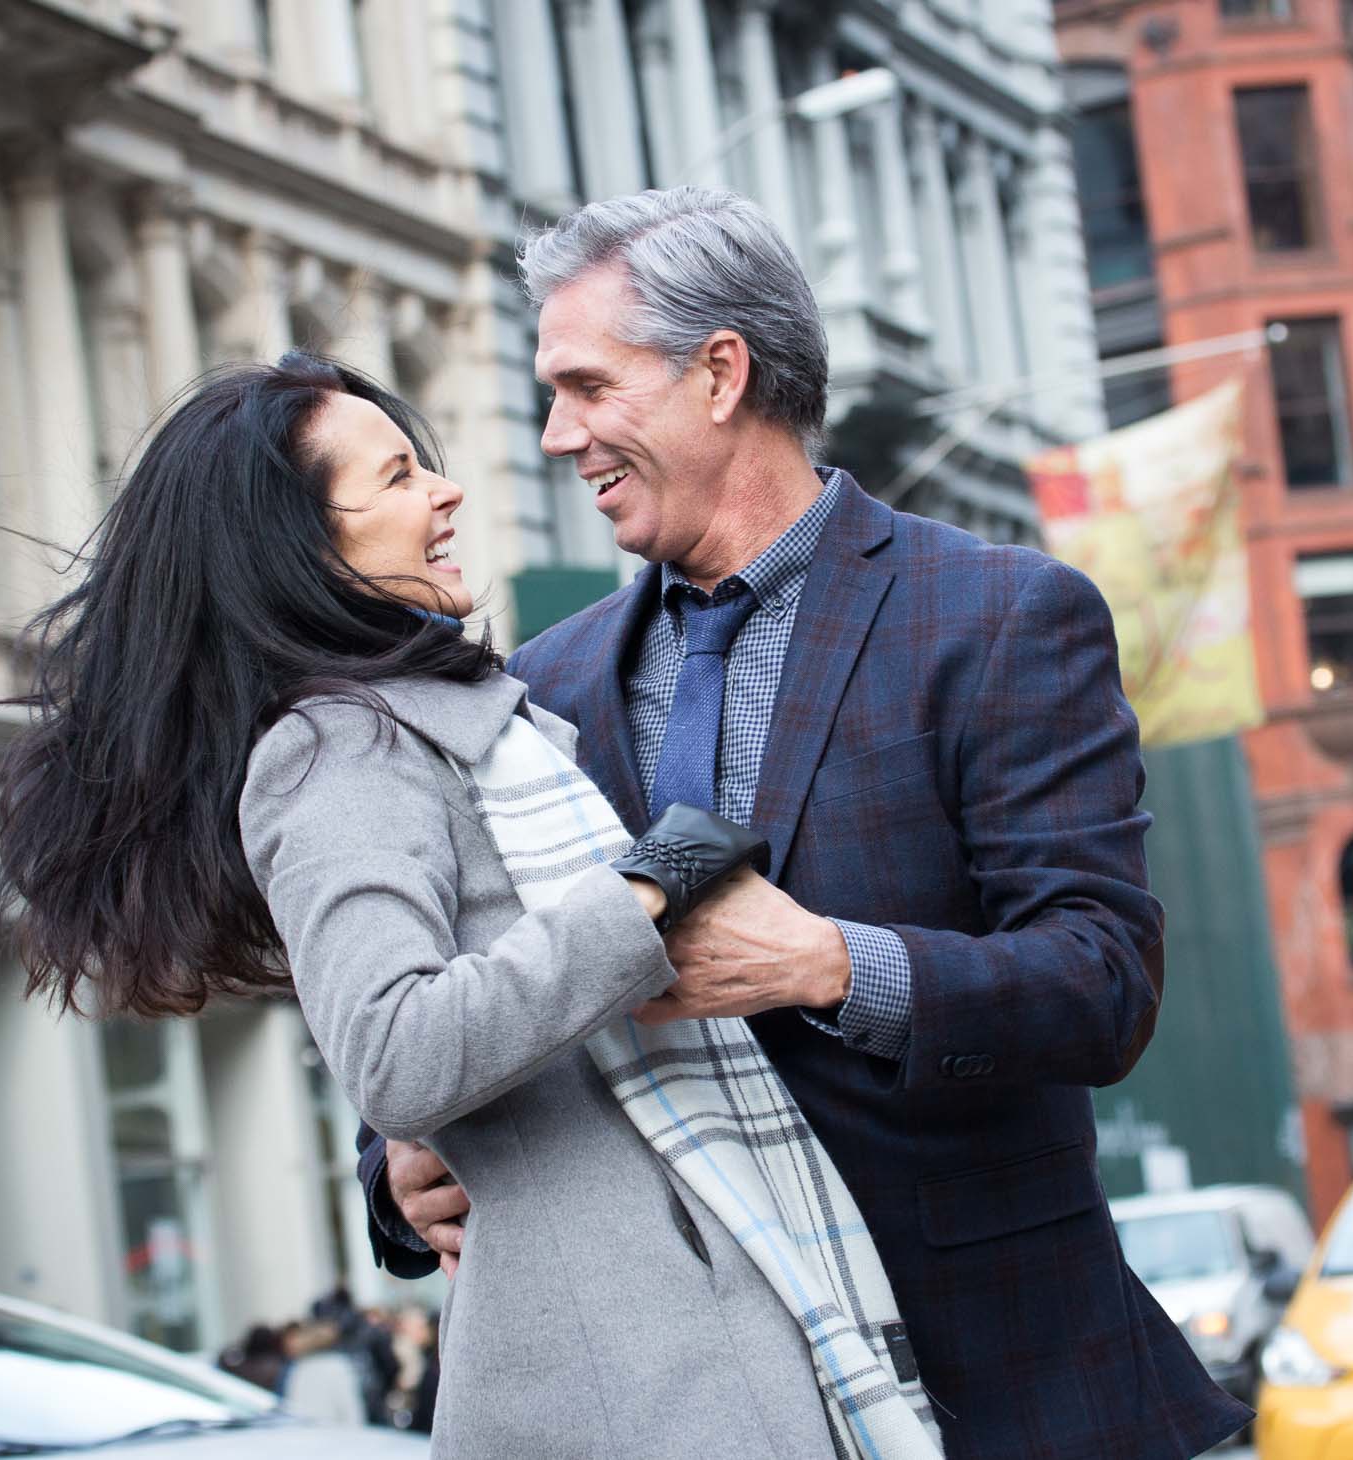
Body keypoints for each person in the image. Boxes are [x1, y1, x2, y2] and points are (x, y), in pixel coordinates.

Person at [364, 188, 1253, 1460]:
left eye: (587, 386)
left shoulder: (999, 616)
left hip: (999, 1389)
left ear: (719, 372)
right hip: (688, 1406)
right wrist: (396, 1175)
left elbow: (1102, 981)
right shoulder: (536, 688)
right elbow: (471, 991)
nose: (559, 435)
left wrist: (832, 966)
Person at [0, 354, 935, 1458]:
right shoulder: (331, 748)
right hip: (624, 1370)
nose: (444, 493)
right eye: (396, 477)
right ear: (301, 545)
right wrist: (644, 891)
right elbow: (391, 1047)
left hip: (683, 1328)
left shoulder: (472, 723)